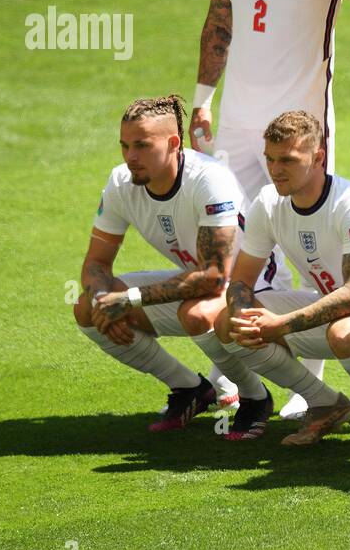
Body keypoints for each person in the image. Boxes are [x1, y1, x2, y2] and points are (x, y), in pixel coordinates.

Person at [194, 0, 350, 417]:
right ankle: (236, 370)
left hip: (302, 126)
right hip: (237, 122)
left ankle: (315, 376)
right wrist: (202, 98)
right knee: (233, 239)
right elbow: (219, 22)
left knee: (311, 241)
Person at [72, 95, 271, 432]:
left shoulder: (209, 179)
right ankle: (191, 388)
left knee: (197, 314)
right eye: (125, 146)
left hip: (255, 285)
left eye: (141, 146)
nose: (130, 157)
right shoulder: (121, 182)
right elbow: (97, 263)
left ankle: (256, 398)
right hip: (203, 284)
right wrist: (103, 301)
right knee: (86, 309)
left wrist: (129, 300)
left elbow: (213, 277)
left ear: (173, 142)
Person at [215, 111, 350, 445]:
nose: (274, 170)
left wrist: (281, 324)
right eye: (270, 159)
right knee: (227, 323)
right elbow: (241, 281)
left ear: (318, 158)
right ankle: (325, 403)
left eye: (287, 160)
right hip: (335, 315)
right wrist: (244, 317)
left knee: (344, 332)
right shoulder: (269, 202)